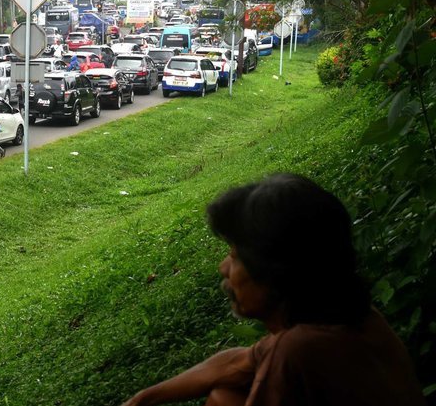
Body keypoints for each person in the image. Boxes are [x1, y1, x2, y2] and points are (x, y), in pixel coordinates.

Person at [121, 173, 425, 406]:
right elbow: (236, 363)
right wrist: (142, 399)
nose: (223, 269)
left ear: (277, 273)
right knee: (224, 396)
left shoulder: (299, 350)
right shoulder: (352, 318)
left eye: (236, 256)